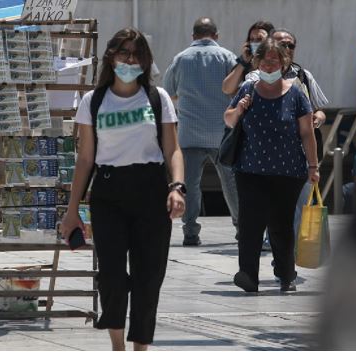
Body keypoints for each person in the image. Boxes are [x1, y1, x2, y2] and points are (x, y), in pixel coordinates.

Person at [61, 28, 185, 350]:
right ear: (111, 57)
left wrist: (177, 187)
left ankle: (140, 345)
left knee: (148, 276)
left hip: (151, 191)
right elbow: (86, 158)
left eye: (137, 54)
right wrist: (72, 210)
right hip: (108, 193)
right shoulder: (94, 101)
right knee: (112, 276)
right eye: (124, 53)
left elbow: (173, 149)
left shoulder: (157, 99)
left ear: (145, 61)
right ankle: (117, 344)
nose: (130, 60)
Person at [224, 38, 319, 293]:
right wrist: (240, 109)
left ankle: (286, 274)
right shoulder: (247, 89)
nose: (269, 66)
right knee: (250, 224)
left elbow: (307, 133)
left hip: (287, 171)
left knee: (281, 225)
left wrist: (313, 166)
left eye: (274, 62)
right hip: (250, 169)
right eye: (265, 62)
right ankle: (248, 275)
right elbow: (229, 119)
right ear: (258, 63)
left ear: (283, 63)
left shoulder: (296, 93)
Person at [245, 28, 329, 251]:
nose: (286, 49)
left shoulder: (303, 76)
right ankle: (276, 244)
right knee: (271, 208)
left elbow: (319, 110)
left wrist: (316, 120)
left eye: (290, 45)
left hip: (300, 154)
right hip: (265, 157)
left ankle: (287, 255)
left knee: (298, 207)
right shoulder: (254, 78)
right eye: (281, 44)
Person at [163, 17, 239, 246]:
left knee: (190, 185)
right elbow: (236, 89)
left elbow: (169, 92)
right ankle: (242, 227)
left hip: (190, 134)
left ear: (193, 36)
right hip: (222, 133)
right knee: (231, 184)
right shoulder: (227, 57)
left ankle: (190, 232)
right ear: (216, 35)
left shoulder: (180, 59)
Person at [221, 20, 274, 95]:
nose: (255, 43)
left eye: (259, 39)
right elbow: (227, 89)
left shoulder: (278, 62)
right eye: (252, 39)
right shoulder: (247, 63)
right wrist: (243, 62)